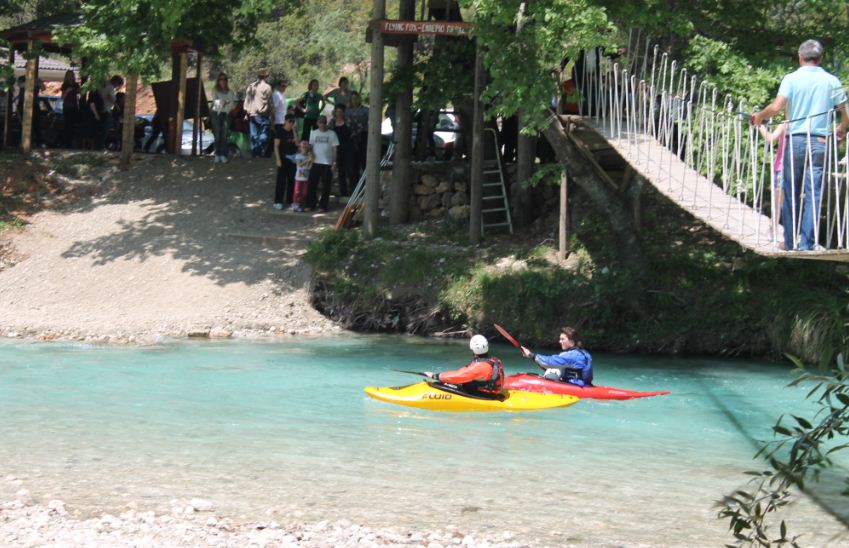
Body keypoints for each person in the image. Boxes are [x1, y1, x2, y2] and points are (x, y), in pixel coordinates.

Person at [751, 39, 849, 251]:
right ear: (821, 58)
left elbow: (777, 107)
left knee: (790, 190)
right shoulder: (832, 81)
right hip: (820, 141)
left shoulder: (791, 78)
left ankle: (788, 241)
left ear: (800, 56)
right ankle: (807, 243)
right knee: (814, 193)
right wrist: (841, 129)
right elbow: (845, 113)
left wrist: (759, 117)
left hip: (795, 140)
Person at [424, 335, 505, 398]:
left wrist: (435, 376)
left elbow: (458, 376)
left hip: (484, 395)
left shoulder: (480, 366)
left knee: (459, 382)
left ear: (473, 350)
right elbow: (462, 372)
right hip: (494, 392)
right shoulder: (495, 360)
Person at [520, 327, 593, 387]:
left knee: (550, 374)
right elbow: (549, 366)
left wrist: (531, 354)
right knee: (552, 373)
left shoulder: (571, 355)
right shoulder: (584, 353)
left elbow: (548, 362)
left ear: (572, 341)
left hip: (576, 386)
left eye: (562, 339)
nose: (559, 341)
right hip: (585, 385)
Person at [758, 120, 788, 247]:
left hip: (782, 167)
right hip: (797, 168)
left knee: (777, 202)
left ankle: (773, 229)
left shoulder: (785, 123)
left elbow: (770, 139)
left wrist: (760, 125)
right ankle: (785, 232)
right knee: (787, 201)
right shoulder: (804, 123)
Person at [306, 115, 339, 212]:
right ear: (317, 123)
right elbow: (310, 146)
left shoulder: (332, 134)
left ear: (326, 123)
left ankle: (323, 206)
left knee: (326, 186)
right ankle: (310, 204)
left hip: (327, 163)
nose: (322, 124)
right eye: (320, 122)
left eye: (324, 122)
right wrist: (310, 154)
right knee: (312, 184)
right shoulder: (313, 133)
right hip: (315, 162)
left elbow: (335, 149)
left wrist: (334, 162)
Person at [244, 68, 273, 158]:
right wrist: (272, 113)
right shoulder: (267, 87)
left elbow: (247, 101)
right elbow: (270, 102)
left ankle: (255, 154)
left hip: (252, 114)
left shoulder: (251, 86)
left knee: (254, 135)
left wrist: (246, 112)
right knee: (263, 136)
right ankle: (258, 151)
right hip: (263, 114)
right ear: (265, 76)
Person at [273, 114, 299, 209]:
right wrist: (278, 159)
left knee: (292, 180)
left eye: (293, 121)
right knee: (281, 181)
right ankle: (278, 201)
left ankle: (290, 200)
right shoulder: (280, 132)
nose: (291, 123)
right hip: (283, 158)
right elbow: (276, 146)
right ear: (285, 121)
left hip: (293, 160)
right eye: (289, 121)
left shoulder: (293, 131)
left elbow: (297, 144)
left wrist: (294, 131)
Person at [211, 72, 237, 163]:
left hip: (226, 114)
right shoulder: (215, 90)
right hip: (216, 114)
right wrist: (224, 102)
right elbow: (215, 103)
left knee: (224, 135)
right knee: (217, 135)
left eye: (225, 79)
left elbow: (231, 104)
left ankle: (223, 154)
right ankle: (217, 154)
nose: (223, 81)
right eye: (221, 79)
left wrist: (223, 103)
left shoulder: (230, 92)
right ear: (218, 81)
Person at [346, 91, 369, 180]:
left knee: (363, 158)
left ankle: (366, 179)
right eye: (352, 99)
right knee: (353, 161)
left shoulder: (365, 110)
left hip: (363, 135)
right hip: (351, 137)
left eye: (356, 98)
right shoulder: (347, 111)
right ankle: (354, 181)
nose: (354, 100)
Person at [331, 104, 353, 197]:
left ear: (344, 112)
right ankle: (343, 192)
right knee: (341, 172)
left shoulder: (348, 121)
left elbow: (356, 130)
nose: (339, 113)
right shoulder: (332, 122)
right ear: (335, 112)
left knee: (350, 171)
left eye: (341, 111)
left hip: (348, 148)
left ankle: (353, 192)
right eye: (337, 111)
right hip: (337, 148)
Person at [286, 141, 313, 212]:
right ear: (300, 148)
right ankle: (295, 204)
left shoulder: (308, 156)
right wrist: (307, 160)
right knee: (297, 191)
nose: (304, 148)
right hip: (298, 177)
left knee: (304, 192)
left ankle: (301, 204)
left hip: (306, 177)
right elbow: (299, 165)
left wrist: (311, 159)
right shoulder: (298, 156)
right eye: (303, 147)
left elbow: (310, 167)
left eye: (305, 147)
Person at [60, 70, 80, 148]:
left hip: (74, 106)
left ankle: (71, 142)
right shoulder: (65, 85)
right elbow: (62, 97)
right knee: (67, 125)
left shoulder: (76, 84)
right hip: (67, 107)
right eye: (70, 76)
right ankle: (66, 143)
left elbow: (79, 92)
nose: (71, 77)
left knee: (73, 125)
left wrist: (78, 90)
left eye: (72, 76)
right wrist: (67, 91)